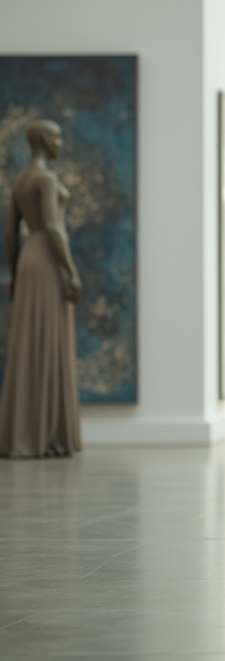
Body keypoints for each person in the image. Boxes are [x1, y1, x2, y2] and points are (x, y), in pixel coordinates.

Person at [0, 120, 82, 458]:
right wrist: (71, 271)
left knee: (31, 341)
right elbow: (52, 226)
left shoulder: (20, 179)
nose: (61, 142)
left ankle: (28, 433)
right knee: (48, 338)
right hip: (47, 259)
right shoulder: (46, 178)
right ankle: (47, 435)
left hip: (27, 260)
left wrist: (15, 274)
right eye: (58, 136)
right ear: (45, 139)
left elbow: (10, 233)